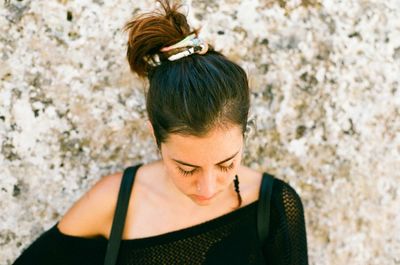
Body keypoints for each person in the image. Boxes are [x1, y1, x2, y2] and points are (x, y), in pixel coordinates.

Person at [13, 0, 308, 264]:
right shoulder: (114, 204)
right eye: (187, 169)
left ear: (244, 134)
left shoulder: (273, 206)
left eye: (226, 164)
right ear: (155, 136)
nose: (208, 188)